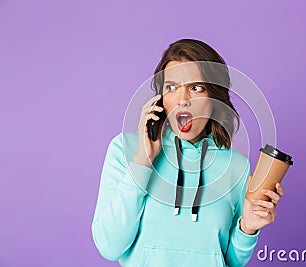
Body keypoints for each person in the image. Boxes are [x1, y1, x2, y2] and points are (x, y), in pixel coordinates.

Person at [91, 39, 285, 267]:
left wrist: (248, 228)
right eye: (171, 87)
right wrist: (143, 162)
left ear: (215, 98)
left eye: (195, 87)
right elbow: (109, 246)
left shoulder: (236, 166)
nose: (183, 99)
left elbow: (230, 261)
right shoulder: (125, 150)